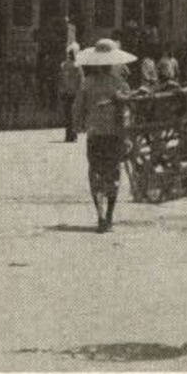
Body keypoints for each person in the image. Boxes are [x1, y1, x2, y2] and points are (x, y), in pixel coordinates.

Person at [73, 38, 136, 232]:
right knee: (113, 174)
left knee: (95, 173)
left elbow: (77, 108)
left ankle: (100, 215)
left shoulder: (87, 83)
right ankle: (109, 216)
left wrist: (78, 126)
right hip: (114, 136)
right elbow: (128, 112)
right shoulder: (120, 84)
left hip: (95, 135)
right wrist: (128, 137)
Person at [58, 42, 84, 142]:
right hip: (75, 93)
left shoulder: (63, 65)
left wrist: (61, 90)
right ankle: (73, 134)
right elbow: (81, 80)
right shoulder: (78, 66)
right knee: (74, 114)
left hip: (66, 93)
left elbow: (60, 79)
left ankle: (68, 135)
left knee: (68, 114)